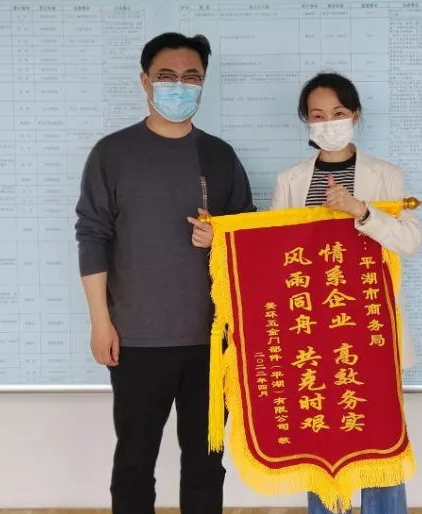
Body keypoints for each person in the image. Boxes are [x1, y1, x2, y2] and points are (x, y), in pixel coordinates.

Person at [74, 32, 256, 514]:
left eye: (192, 78)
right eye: (167, 77)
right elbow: (92, 236)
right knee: (135, 462)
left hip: (211, 340)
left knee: (206, 464)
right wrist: (100, 322)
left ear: (204, 83)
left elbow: (248, 238)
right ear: (145, 81)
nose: (180, 86)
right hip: (136, 339)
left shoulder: (219, 155)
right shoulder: (113, 154)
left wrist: (220, 235)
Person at [269, 72, 421, 514]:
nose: (328, 122)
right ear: (306, 121)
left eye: (337, 113)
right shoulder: (290, 180)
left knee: (380, 442)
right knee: (323, 439)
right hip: (313, 330)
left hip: (372, 327)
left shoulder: (385, 175)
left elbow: (410, 240)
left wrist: (361, 211)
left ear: (355, 115)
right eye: (317, 115)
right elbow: (274, 249)